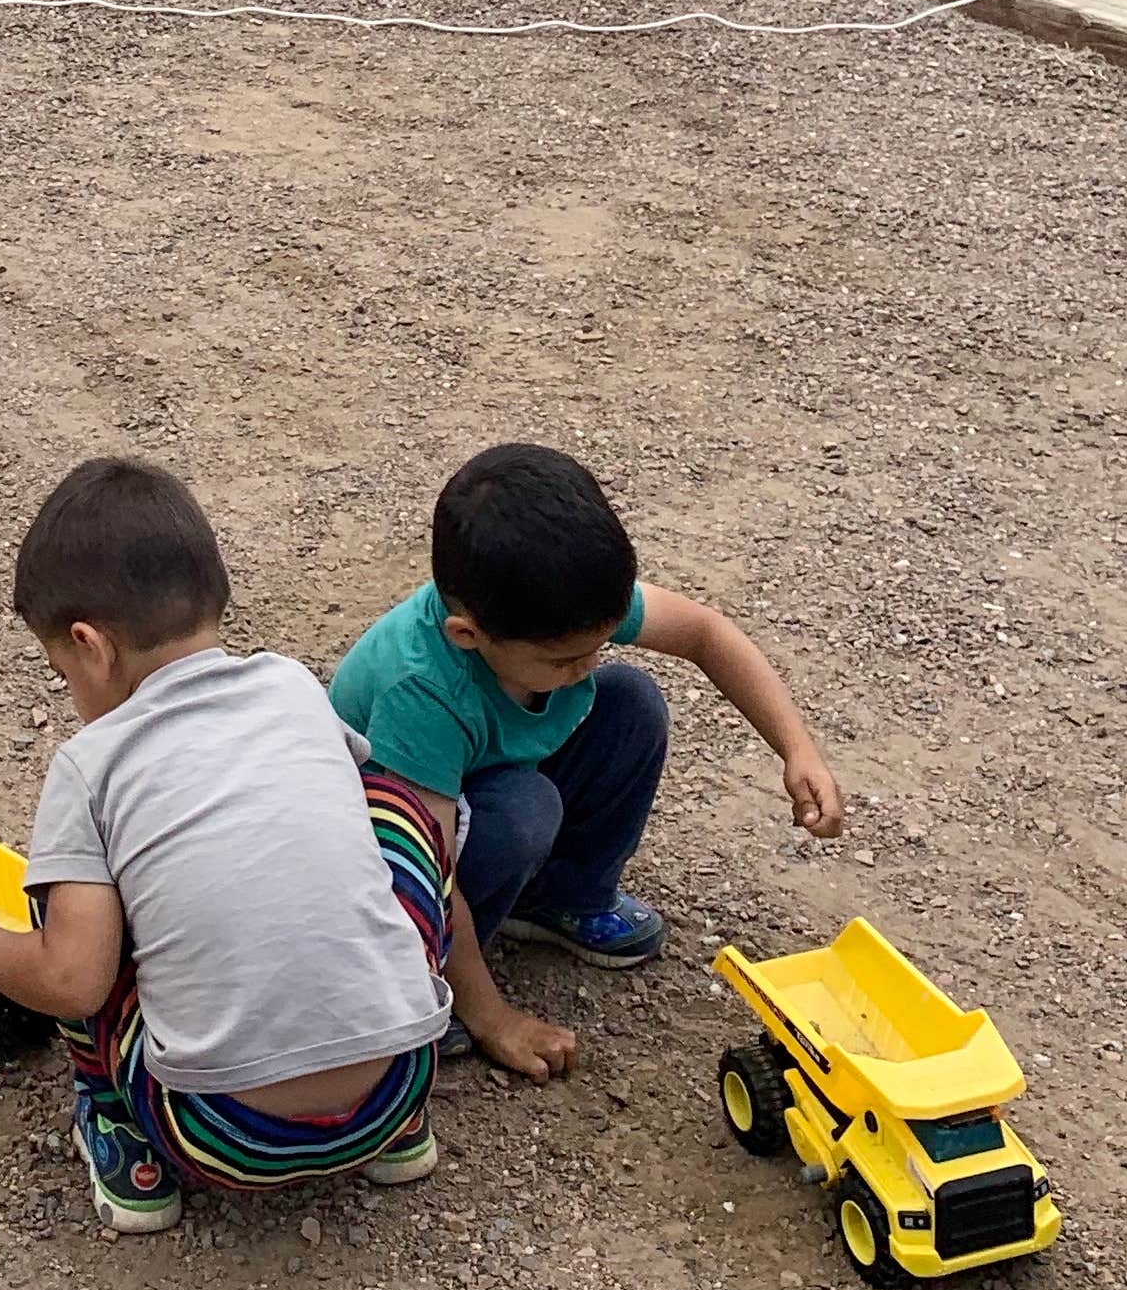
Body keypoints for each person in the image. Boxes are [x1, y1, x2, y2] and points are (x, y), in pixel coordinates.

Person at [0, 456, 455, 1236]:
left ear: (89, 646)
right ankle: (395, 1136)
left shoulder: (91, 763)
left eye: (59, 671)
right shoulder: (291, 684)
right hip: (399, 1080)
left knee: (80, 908)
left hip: (222, 1136)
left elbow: (71, 981)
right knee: (393, 810)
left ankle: (123, 1140)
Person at [330, 441, 844, 1084]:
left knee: (631, 700)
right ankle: (427, 978)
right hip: (384, 847)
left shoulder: (552, 609)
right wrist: (495, 1019)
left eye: (598, 643)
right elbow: (423, 866)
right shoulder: (423, 689)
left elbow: (706, 634)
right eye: (563, 659)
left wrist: (796, 747)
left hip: (473, 780)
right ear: (468, 634)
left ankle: (559, 898)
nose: (587, 665)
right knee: (525, 809)